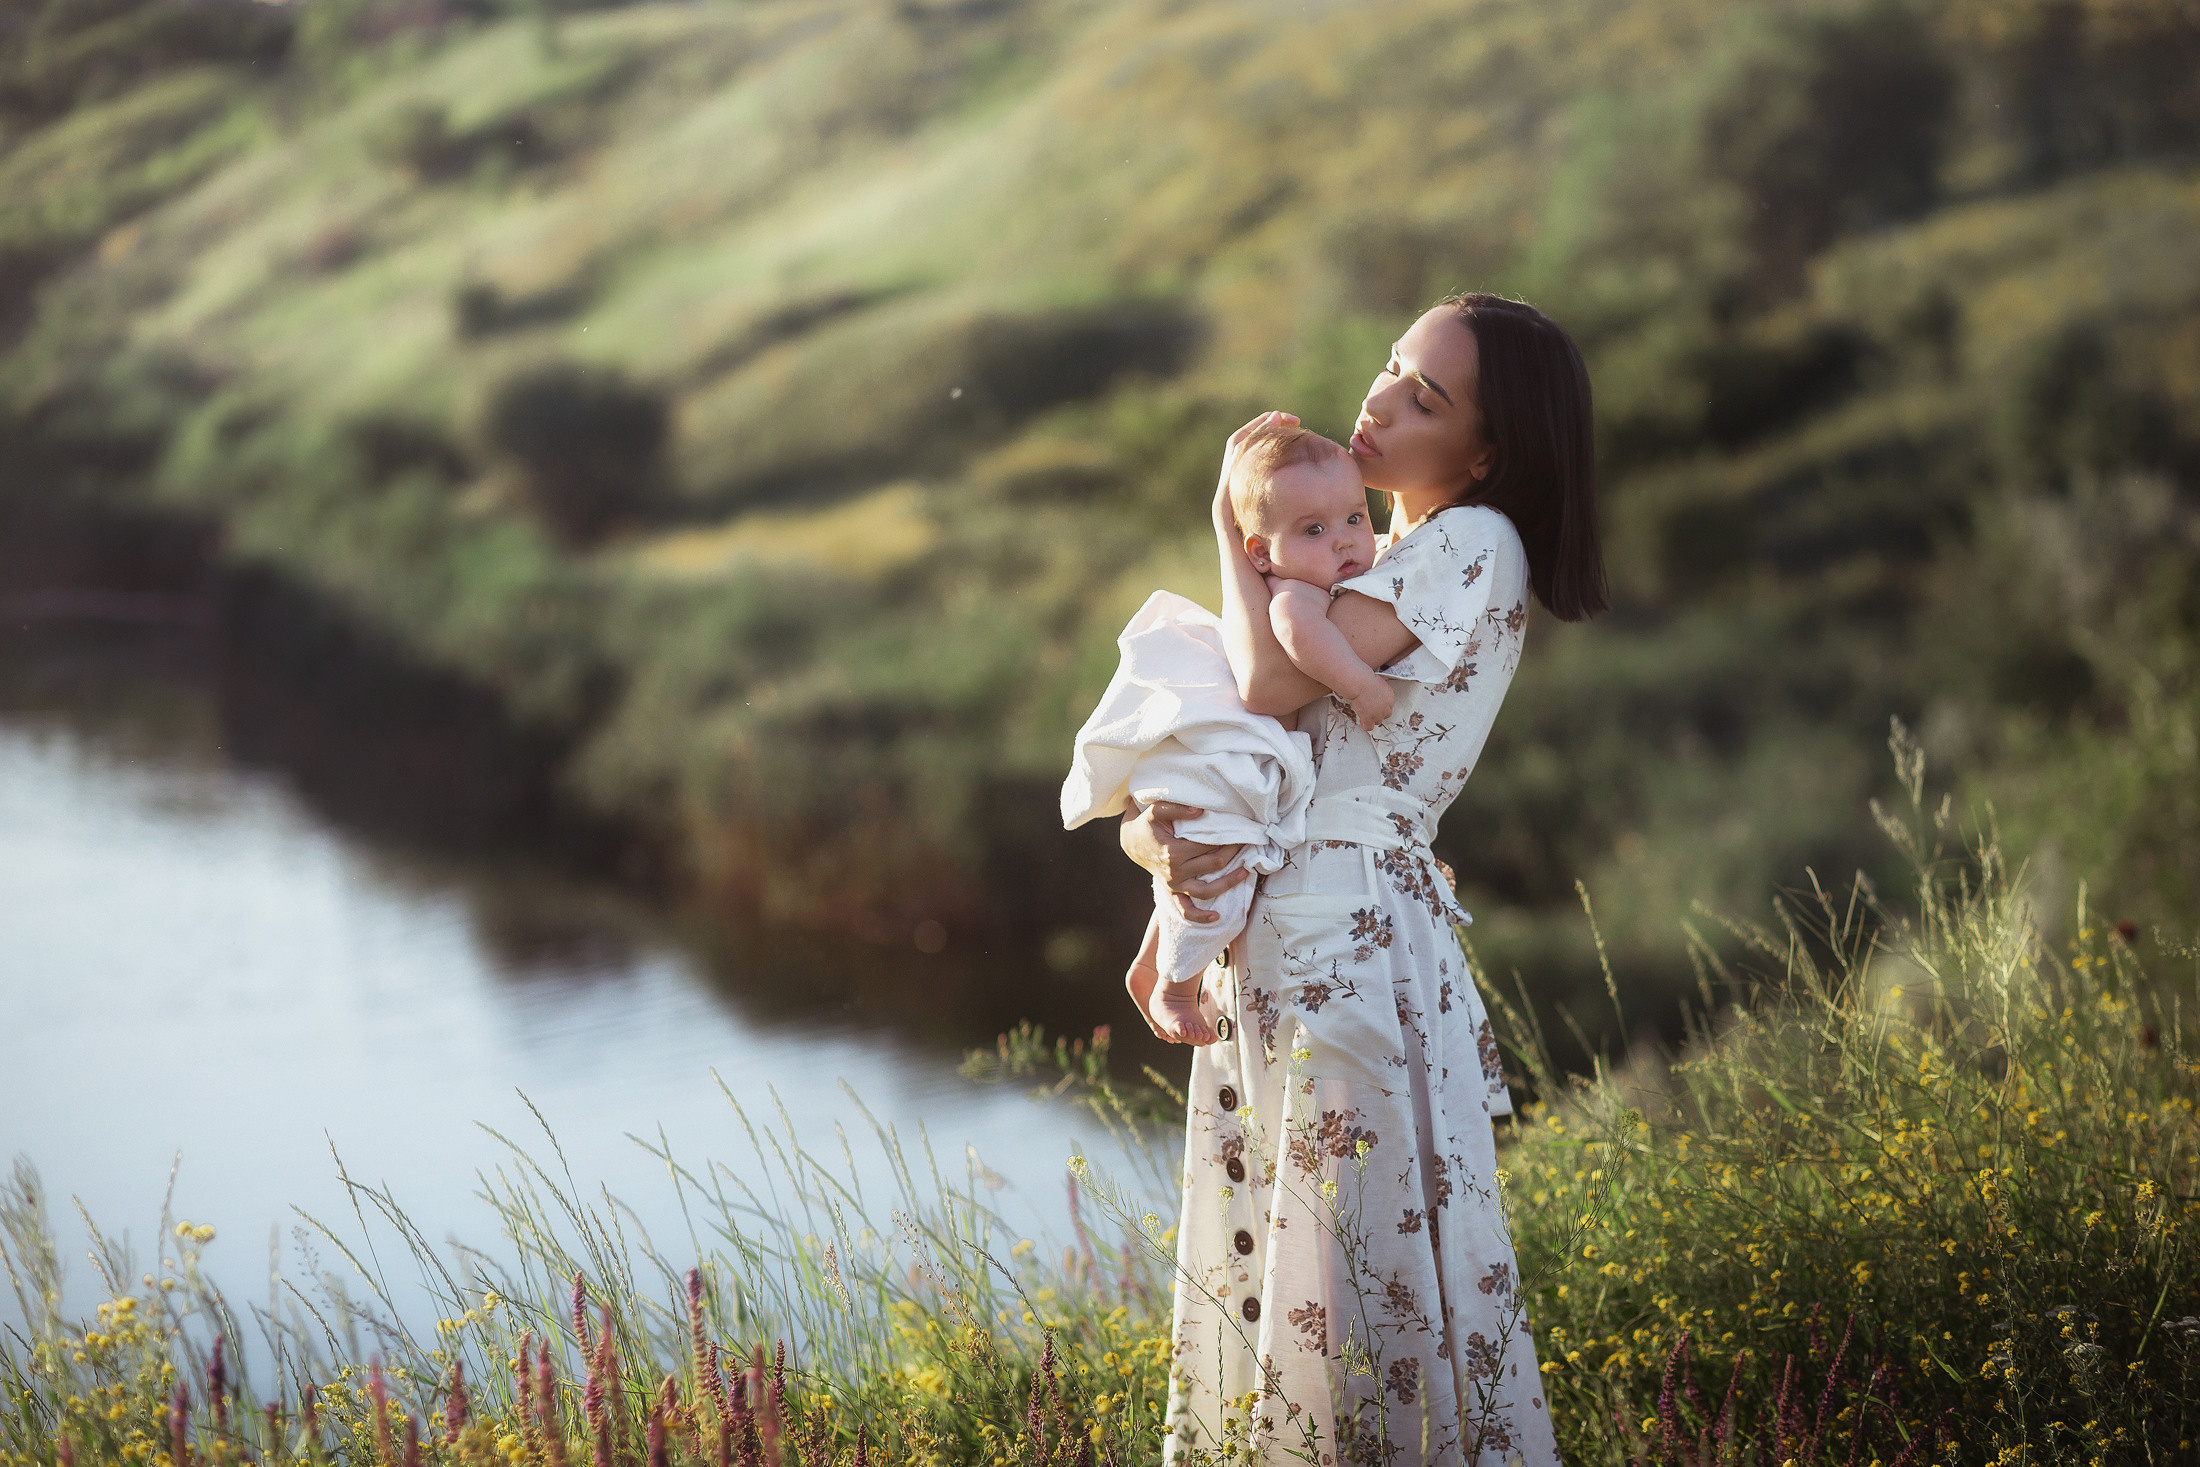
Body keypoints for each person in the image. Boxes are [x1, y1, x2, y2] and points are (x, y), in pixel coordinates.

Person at [1119, 293, 1606, 1465]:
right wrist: (1159, 845)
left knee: (1352, 1274)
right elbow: (1254, 768)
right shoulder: (1372, 556)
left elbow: (1272, 688)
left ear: (1483, 453)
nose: (1378, 401)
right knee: (1291, 1270)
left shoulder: (1472, 546)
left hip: (1349, 942)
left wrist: (1236, 531)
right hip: (1297, 931)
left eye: (1423, 397)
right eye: (1393, 369)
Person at [1063, 422, 1402, 1048]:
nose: (1348, 543)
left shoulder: (1312, 570)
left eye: (1356, 518)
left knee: (1205, 855)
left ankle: (1152, 966)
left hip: (1247, 751)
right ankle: (1174, 984)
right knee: (1219, 866)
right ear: (1261, 552)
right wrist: (1359, 685)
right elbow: (1302, 640)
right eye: (1315, 530)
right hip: (1240, 748)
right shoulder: (1296, 595)